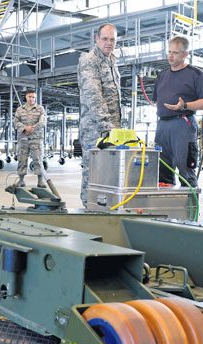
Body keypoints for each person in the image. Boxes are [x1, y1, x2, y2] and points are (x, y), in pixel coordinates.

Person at [152, 36, 203, 188]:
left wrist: (184, 105)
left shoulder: (196, 74)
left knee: (184, 165)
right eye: (169, 52)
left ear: (185, 54)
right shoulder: (162, 76)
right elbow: (156, 100)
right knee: (162, 166)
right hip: (162, 126)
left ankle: (191, 209)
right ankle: (166, 207)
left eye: (175, 53)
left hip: (183, 123)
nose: (170, 56)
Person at [77, 23, 122, 207]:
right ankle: (88, 210)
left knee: (109, 174)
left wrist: (115, 131)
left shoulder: (112, 61)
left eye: (112, 40)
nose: (109, 43)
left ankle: (103, 211)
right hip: (95, 130)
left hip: (111, 131)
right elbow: (93, 96)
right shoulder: (89, 60)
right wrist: (109, 128)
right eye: (105, 39)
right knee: (92, 174)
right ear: (96, 39)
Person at [13, 89, 46, 188]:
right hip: (23, 138)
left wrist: (32, 128)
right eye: (30, 97)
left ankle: (40, 180)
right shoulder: (20, 109)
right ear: (26, 97)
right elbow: (16, 122)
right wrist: (24, 128)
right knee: (22, 159)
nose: (32, 99)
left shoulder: (40, 109)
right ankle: (21, 180)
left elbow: (42, 122)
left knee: (38, 159)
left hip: (36, 138)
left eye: (33, 97)